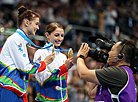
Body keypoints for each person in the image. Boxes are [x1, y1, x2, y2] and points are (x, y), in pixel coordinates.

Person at [0, 6, 55, 102]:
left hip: (16, 88)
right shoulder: (16, 39)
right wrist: (44, 63)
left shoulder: (21, 40)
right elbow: (25, 68)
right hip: (9, 88)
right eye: (36, 24)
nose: (38, 27)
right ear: (26, 22)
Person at [33, 22, 74, 102]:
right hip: (46, 99)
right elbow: (42, 78)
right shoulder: (40, 53)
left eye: (62, 35)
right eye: (56, 35)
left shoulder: (63, 56)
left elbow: (64, 82)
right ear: (47, 35)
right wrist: (63, 68)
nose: (60, 38)